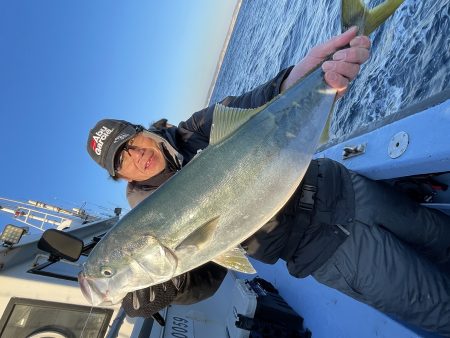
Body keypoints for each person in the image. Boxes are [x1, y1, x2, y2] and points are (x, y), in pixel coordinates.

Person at [86, 27, 450, 336]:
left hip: (347, 187)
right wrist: (170, 287)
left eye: (131, 141)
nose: (136, 155)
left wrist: (300, 78)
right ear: (118, 176)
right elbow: (208, 275)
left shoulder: (196, 129)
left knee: (443, 239)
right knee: (441, 308)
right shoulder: (144, 221)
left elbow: (258, 104)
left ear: (143, 131)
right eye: (122, 159)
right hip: (330, 249)